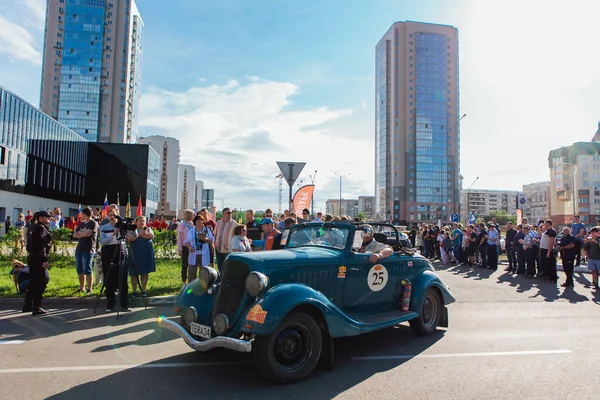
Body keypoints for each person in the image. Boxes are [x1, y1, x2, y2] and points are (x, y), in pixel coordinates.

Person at [99, 208, 131, 312]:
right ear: (107, 216)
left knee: (123, 279)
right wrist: (113, 234)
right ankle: (110, 304)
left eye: (115, 215)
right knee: (109, 279)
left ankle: (124, 304)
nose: (113, 217)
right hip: (108, 252)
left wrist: (126, 228)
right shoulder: (104, 227)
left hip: (120, 251)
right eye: (110, 215)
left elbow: (129, 238)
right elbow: (103, 242)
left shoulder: (122, 226)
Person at [23, 210, 52, 315]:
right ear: (40, 218)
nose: (48, 218)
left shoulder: (33, 227)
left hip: (32, 257)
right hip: (38, 258)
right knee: (41, 282)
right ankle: (37, 306)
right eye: (46, 217)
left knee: (33, 282)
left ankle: (28, 305)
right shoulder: (40, 228)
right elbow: (41, 246)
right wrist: (44, 260)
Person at [127, 216, 156, 297]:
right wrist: (140, 234)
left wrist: (138, 236)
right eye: (140, 221)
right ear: (136, 222)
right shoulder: (132, 229)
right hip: (135, 253)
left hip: (145, 253)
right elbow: (130, 239)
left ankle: (143, 290)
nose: (142, 223)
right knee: (134, 273)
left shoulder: (148, 228)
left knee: (145, 272)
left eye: (143, 221)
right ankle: (134, 291)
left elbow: (151, 236)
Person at [72, 207, 97, 293]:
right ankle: (82, 288)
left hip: (88, 249)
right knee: (80, 269)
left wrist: (80, 234)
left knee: (87, 269)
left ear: (85, 214)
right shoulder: (81, 224)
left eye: (81, 214)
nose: (81, 216)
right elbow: (74, 235)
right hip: (79, 249)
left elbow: (88, 234)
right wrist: (81, 234)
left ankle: (89, 289)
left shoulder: (93, 223)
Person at [185, 216, 215, 281]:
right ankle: (191, 288)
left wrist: (204, 239)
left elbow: (212, 240)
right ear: (195, 222)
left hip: (204, 254)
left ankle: (203, 287)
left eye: (201, 220)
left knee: (203, 272)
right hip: (194, 254)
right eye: (197, 220)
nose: (199, 222)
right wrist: (190, 247)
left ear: (203, 222)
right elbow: (186, 242)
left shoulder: (207, 230)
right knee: (192, 272)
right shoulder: (191, 231)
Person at [176, 209, 194, 287]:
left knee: (192, 264)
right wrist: (180, 249)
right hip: (184, 247)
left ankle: (191, 280)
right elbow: (179, 238)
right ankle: (184, 281)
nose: (193, 216)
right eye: (192, 215)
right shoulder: (182, 225)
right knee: (185, 264)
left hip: (191, 247)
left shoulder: (192, 224)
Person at [540, 219, 558, 284]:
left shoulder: (552, 231)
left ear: (548, 224)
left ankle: (553, 278)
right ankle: (547, 277)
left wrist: (549, 251)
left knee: (551, 265)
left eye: (546, 224)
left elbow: (551, 242)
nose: (544, 225)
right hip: (543, 249)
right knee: (545, 265)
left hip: (548, 249)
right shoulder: (546, 231)